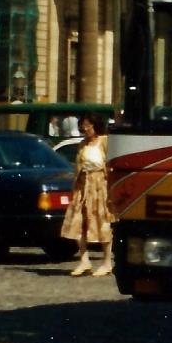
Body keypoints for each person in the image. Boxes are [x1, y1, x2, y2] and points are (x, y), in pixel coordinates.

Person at [60, 114, 115, 276]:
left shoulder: (104, 141)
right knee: (77, 223)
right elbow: (79, 166)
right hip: (83, 185)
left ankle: (107, 262)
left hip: (100, 186)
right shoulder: (82, 144)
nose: (85, 129)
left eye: (88, 125)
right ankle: (84, 260)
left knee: (102, 223)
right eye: (83, 126)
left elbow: (110, 164)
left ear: (95, 125)